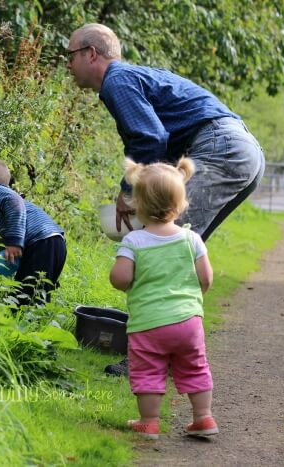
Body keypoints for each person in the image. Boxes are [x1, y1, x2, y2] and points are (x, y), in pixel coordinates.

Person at [66, 23, 265, 376]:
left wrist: (128, 194)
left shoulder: (117, 80)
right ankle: (173, 352)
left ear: (91, 54)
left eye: (71, 55)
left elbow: (149, 138)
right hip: (242, 151)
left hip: (221, 150)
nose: (68, 63)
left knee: (161, 254)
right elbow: (161, 141)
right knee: (180, 255)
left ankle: (145, 360)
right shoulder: (130, 78)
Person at [109, 157, 218, 439]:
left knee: (147, 372)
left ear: (137, 205)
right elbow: (206, 278)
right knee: (195, 367)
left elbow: (120, 279)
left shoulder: (133, 241)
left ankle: (149, 422)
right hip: (188, 322)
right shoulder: (191, 238)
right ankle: (203, 418)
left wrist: (126, 280)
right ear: (181, 203)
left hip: (149, 323)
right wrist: (193, 300)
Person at [0, 158, 67, 306]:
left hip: (41, 242)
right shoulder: (0, 216)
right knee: (34, 298)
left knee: (23, 301)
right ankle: (32, 326)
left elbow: (14, 201)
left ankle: (21, 326)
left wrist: (15, 241)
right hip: (53, 243)